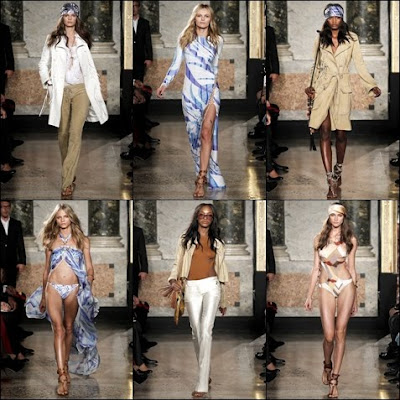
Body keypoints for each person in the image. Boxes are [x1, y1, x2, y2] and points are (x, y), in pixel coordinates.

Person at [305, 3, 381, 199]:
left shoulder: (352, 38)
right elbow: (315, 66)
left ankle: (338, 167)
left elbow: (360, 64)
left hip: (342, 89)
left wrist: (371, 85)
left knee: (340, 134)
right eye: (330, 17)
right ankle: (330, 179)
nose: (334, 21)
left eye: (337, 17)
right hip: (323, 88)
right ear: (326, 19)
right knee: (324, 132)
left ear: (342, 18)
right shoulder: (320, 38)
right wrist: (309, 86)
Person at [25, 203, 99, 396]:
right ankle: (62, 375)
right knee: (58, 329)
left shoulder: (82, 240)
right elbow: (46, 270)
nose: (62, 220)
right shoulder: (51, 240)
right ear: (55, 220)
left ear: (71, 218)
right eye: (59, 217)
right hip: (53, 288)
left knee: (68, 328)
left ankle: (65, 364)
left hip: (74, 288)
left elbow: (89, 267)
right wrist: (43, 296)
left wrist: (89, 286)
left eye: (65, 216)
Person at [38, 2, 108, 198]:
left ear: (77, 17)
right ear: (62, 17)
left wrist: (95, 87)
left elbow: (89, 66)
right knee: (63, 134)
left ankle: (66, 181)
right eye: (66, 14)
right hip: (61, 90)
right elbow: (43, 63)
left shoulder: (83, 39)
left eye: (73, 14)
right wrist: (47, 81)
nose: (69, 18)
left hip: (81, 90)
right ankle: (69, 171)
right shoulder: (52, 39)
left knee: (75, 133)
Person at [156, 3, 225, 198]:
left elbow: (215, 67)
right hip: (190, 93)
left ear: (210, 19)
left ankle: (201, 179)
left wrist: (214, 86)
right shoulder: (185, 38)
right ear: (194, 18)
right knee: (195, 138)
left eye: (206, 16)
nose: (202, 19)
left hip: (211, 91)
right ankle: (203, 169)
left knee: (206, 132)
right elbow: (176, 64)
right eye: (199, 15)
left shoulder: (217, 40)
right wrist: (164, 83)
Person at [167, 203, 228, 398]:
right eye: (202, 215)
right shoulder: (185, 239)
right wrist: (173, 279)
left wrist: (224, 300)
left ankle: (202, 383)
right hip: (191, 287)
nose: (205, 218)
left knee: (206, 330)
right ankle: (205, 370)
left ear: (213, 218)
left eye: (209, 215)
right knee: (196, 331)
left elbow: (222, 272)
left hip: (211, 286)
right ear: (197, 217)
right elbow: (177, 262)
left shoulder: (217, 242)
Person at [304, 203, 358, 398]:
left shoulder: (350, 239)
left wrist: (355, 298)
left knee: (340, 333)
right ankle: (327, 364)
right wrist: (309, 295)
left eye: (339, 215)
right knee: (328, 336)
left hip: (346, 285)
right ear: (328, 217)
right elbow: (315, 269)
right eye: (333, 215)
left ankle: (334, 380)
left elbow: (352, 268)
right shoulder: (319, 239)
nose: (336, 218)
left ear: (344, 217)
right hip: (326, 285)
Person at [0, 201, 26, 288]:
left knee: (11, 288)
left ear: (10, 208)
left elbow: (20, 243)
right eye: (3, 207)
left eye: (7, 207)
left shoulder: (16, 224)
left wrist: (22, 261)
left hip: (12, 263)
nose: (5, 209)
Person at [133, 224, 148, 297]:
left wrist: (144, 269)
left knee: (133, 293)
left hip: (133, 267)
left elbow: (142, 251)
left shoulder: (137, 231)